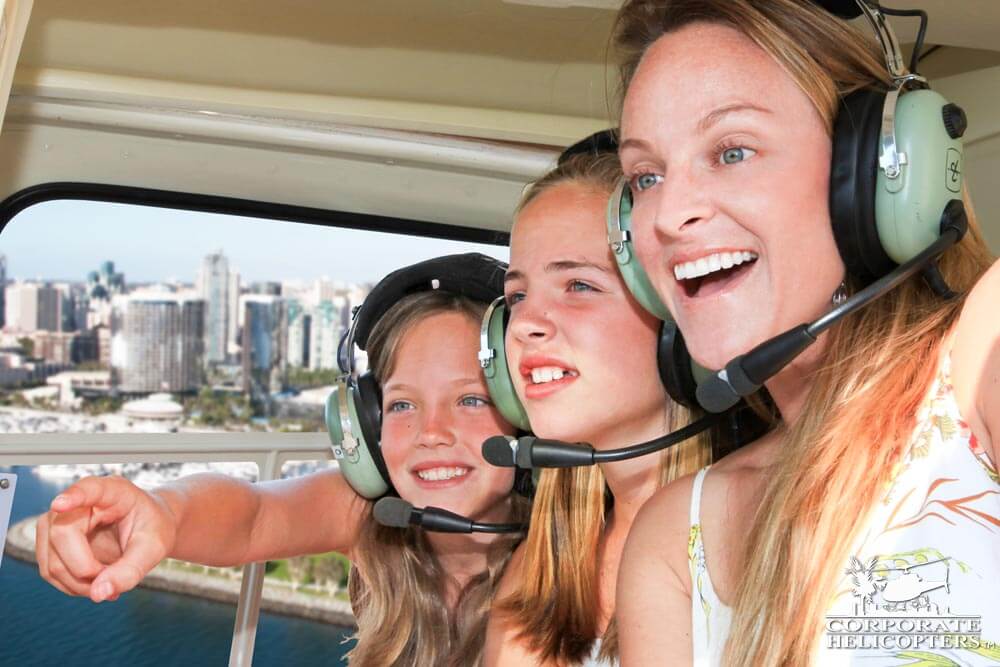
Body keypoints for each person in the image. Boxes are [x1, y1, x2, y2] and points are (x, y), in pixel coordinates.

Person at [612, 1, 1000, 665]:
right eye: (647, 177)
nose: (670, 214)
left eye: (732, 151)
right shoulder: (676, 538)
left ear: (879, 170)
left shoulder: (979, 358)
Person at [35, 253, 531, 667]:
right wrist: (162, 515)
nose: (433, 434)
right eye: (402, 405)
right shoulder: (375, 517)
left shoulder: (573, 549)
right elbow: (254, 516)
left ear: (522, 414)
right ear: (368, 422)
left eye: (471, 400)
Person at [483, 149, 728, 666]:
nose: (526, 324)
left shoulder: (762, 532)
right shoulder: (543, 566)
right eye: (518, 296)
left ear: (676, 323)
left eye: (578, 285)